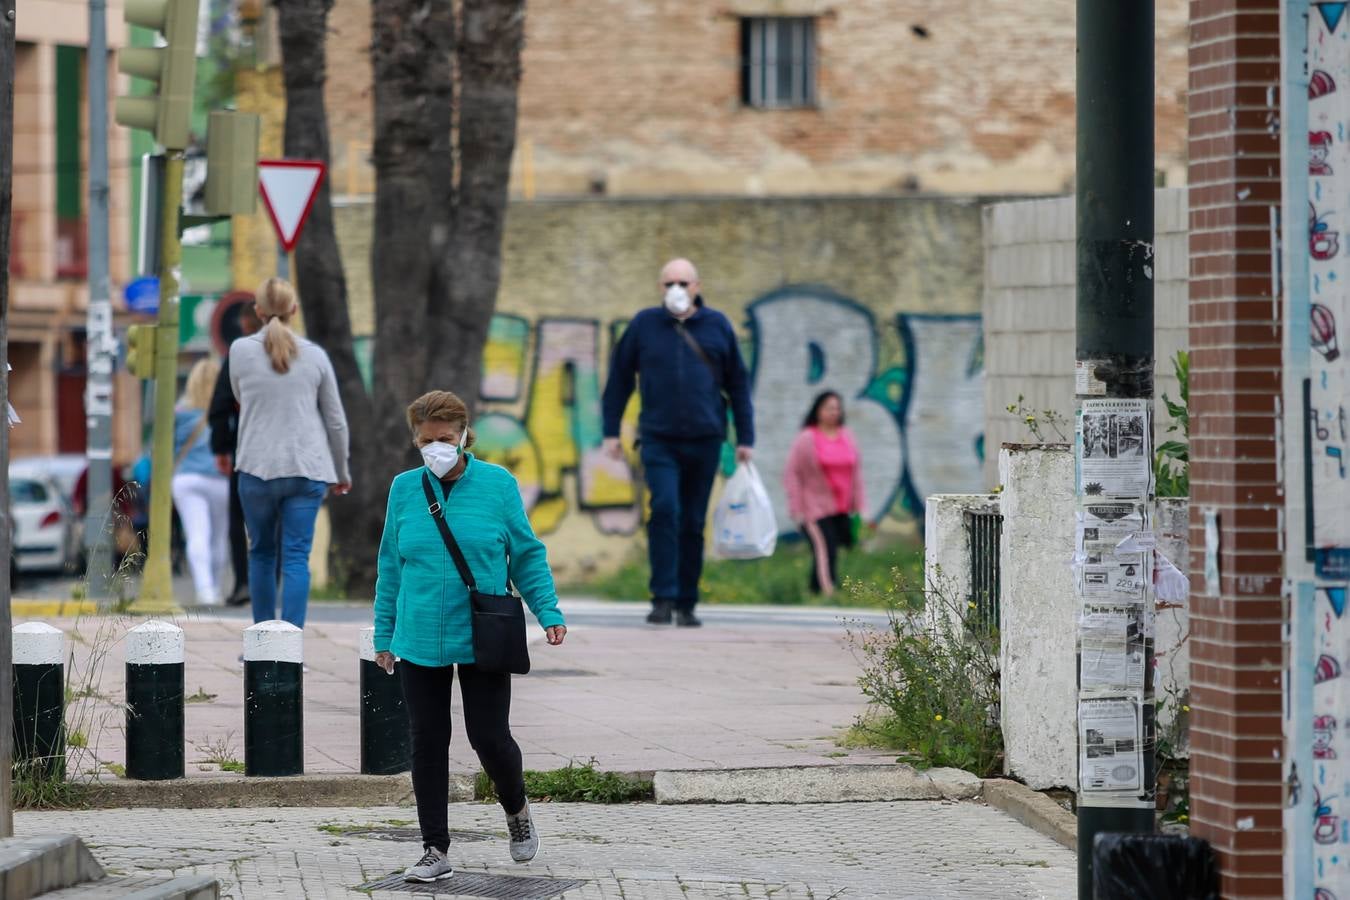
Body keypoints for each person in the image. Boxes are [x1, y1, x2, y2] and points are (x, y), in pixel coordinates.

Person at [372, 390, 567, 884]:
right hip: (419, 636)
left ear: (463, 437)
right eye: (426, 440)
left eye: (445, 438)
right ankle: (434, 848)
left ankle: (517, 809)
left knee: (489, 737)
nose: (436, 447)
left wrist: (548, 610)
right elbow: (390, 565)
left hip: (483, 632)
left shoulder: (498, 485)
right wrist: (384, 633)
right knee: (427, 742)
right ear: (416, 440)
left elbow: (525, 554)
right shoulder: (403, 489)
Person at [600, 258, 754, 628]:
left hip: (706, 438)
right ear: (660, 288)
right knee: (665, 510)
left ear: (697, 286)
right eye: (669, 282)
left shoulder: (717, 326)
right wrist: (610, 432)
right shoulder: (644, 325)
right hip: (658, 438)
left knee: (693, 520)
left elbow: (738, 384)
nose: (677, 289)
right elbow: (619, 379)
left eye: (684, 282)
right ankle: (662, 597)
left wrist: (745, 437)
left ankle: (687, 602)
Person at [227, 277, 351, 628]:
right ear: (294, 310)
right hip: (306, 469)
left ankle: (263, 642)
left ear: (258, 311)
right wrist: (341, 472)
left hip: (256, 468)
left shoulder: (239, 351)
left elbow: (239, 396)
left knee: (261, 554)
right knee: (296, 557)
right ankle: (291, 646)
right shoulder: (316, 356)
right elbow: (336, 421)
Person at [782, 391, 866, 598]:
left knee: (835, 549)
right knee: (824, 548)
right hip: (813, 507)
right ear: (818, 410)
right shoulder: (807, 438)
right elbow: (791, 473)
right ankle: (829, 593)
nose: (834, 412)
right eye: (829, 408)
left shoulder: (846, 436)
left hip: (841, 507)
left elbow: (855, 472)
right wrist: (796, 508)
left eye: (837, 408)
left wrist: (859, 505)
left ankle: (813, 592)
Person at [209, 303, 263, 607]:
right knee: (279, 521)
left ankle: (244, 582)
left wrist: (222, 447)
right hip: (286, 453)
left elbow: (220, 405)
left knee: (238, 519)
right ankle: (274, 580)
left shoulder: (238, 356)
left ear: (245, 323)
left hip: (245, 450)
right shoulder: (294, 352)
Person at [170, 359, 232, 606]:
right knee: (219, 537)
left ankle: (204, 589)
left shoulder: (179, 412)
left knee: (197, 535)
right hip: (220, 479)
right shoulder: (226, 411)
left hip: (186, 478)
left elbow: (164, 449)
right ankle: (215, 587)